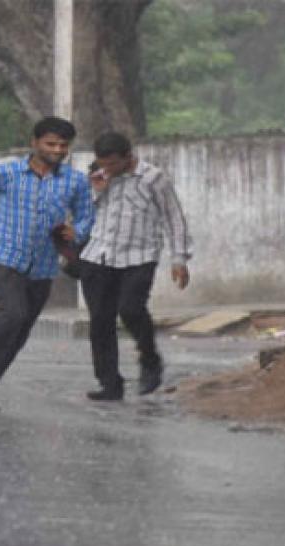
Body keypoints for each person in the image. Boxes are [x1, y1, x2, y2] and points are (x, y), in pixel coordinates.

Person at [0, 116, 94, 413]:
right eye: (51, 143)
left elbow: (86, 215)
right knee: (13, 314)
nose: (57, 150)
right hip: (3, 258)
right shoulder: (5, 173)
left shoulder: (75, 181)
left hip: (42, 266)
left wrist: (76, 231)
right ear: (35, 143)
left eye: (63, 145)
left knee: (20, 331)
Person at [78, 131, 193, 401]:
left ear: (128, 157)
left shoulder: (153, 178)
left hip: (139, 256)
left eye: (112, 164)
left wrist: (179, 259)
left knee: (131, 310)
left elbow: (173, 218)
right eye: (102, 163)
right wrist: (96, 190)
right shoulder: (97, 178)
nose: (108, 169)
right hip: (98, 255)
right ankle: (109, 383)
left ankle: (150, 361)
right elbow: (81, 214)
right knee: (100, 322)